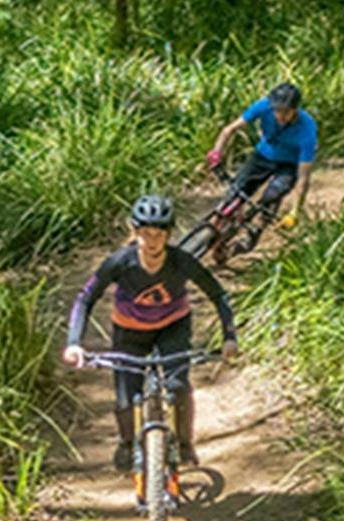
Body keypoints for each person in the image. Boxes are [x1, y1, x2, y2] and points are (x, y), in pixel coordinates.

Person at [63, 193, 238, 481]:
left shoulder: (182, 261)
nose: (152, 241)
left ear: (169, 234)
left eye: (159, 234)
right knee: (124, 399)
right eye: (145, 233)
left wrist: (229, 336)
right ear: (135, 232)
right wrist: (74, 343)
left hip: (173, 327)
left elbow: (218, 294)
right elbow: (85, 298)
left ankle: (184, 443)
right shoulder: (119, 262)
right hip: (128, 332)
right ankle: (126, 443)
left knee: (179, 386)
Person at [206, 81, 318, 248]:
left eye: (285, 111)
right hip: (262, 157)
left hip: (288, 166)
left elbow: (303, 177)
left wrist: (295, 212)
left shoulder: (307, 129)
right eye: (276, 110)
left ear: (296, 109)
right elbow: (229, 130)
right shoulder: (264, 106)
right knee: (235, 192)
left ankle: (257, 229)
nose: (279, 115)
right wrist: (216, 152)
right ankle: (215, 228)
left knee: (271, 197)